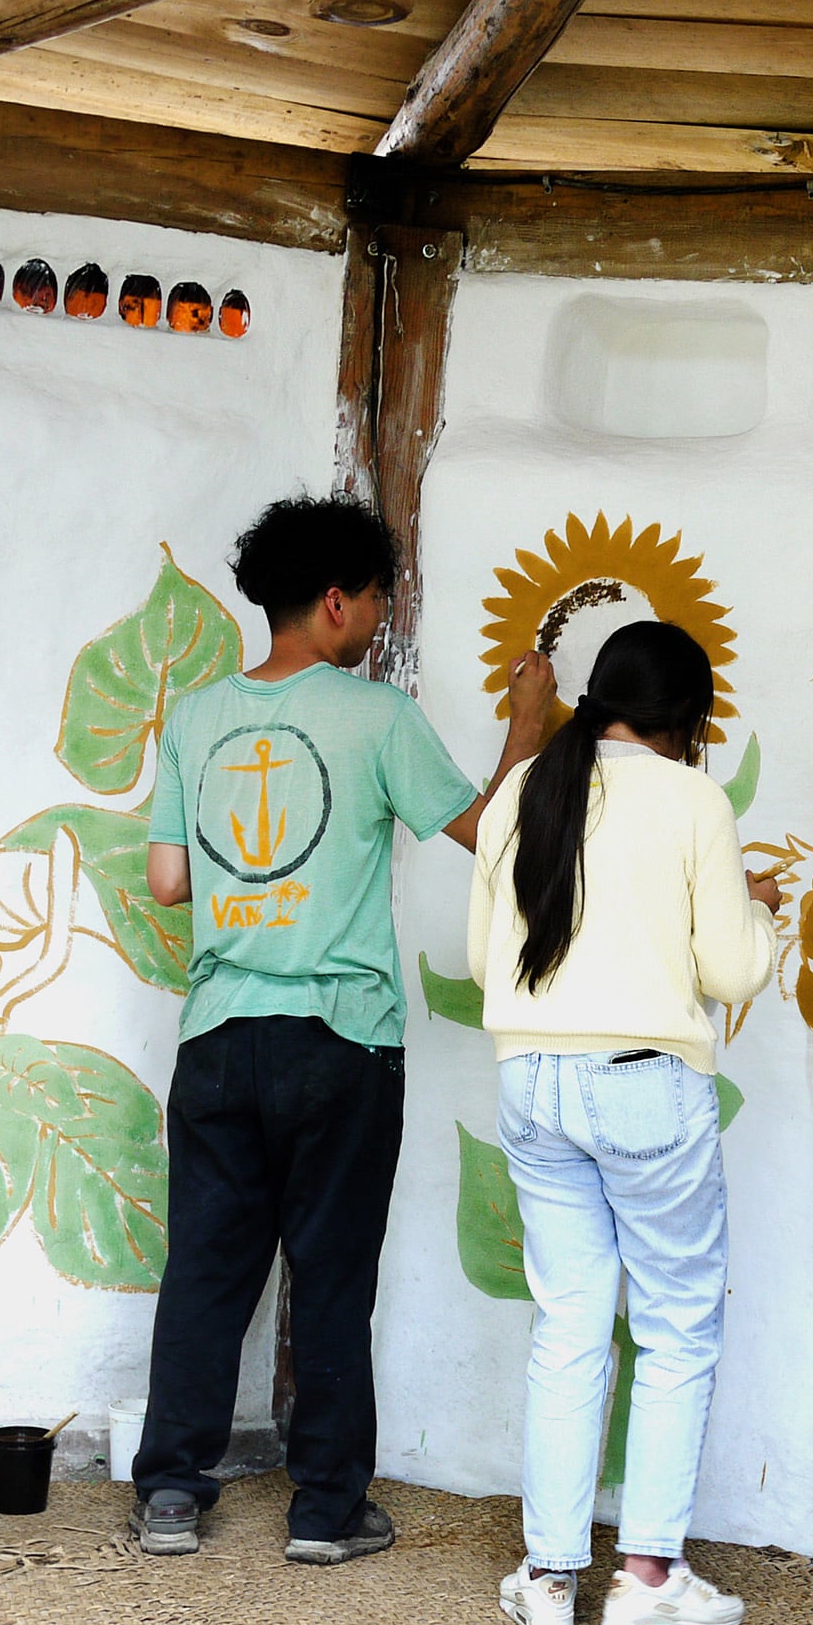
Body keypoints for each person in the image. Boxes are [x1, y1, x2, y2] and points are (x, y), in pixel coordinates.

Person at [133, 494, 554, 1563]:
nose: (378, 614)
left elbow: (170, 881)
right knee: (330, 1274)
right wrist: (526, 727)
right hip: (341, 1039)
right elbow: (488, 835)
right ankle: (324, 1512)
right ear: (335, 601)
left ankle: (171, 1492)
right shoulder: (376, 718)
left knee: (206, 1272)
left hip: (219, 1034)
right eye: (375, 596)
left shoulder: (193, 717)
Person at [468, 621, 779, 1625]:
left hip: (529, 1079)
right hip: (642, 1082)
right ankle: (646, 1573)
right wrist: (756, 909)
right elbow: (731, 971)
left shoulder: (524, 788)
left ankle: (548, 1576)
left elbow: (484, 959)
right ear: (685, 720)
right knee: (676, 1324)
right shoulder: (691, 798)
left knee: (568, 1323)